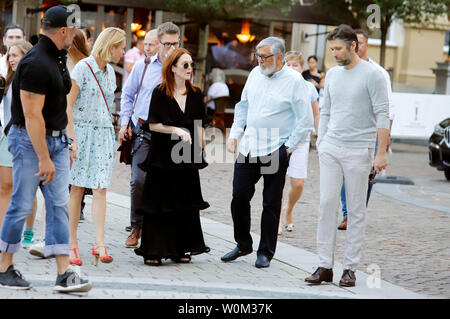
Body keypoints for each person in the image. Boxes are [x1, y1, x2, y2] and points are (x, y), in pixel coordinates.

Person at [0, 5, 91, 292]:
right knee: (21, 205)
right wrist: (44, 157)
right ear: (63, 30)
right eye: (74, 29)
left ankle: (64, 273)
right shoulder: (36, 62)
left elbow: (58, 105)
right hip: (29, 142)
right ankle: (4, 268)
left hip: (56, 140)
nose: (76, 34)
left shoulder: (58, 58)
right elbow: (31, 116)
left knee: (59, 206)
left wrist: (66, 139)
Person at [305, 25, 389, 287]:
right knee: (326, 205)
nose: (335, 53)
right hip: (331, 148)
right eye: (332, 49)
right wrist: (323, 140)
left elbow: (384, 115)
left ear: (353, 45)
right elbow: (326, 110)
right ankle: (324, 265)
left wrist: (381, 153)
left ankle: (349, 268)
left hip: (359, 150)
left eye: (338, 48)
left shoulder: (374, 75)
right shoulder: (332, 75)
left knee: (354, 210)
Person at [221, 37, 313, 269]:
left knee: (271, 203)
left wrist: (288, 148)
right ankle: (243, 244)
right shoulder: (254, 74)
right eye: (258, 56)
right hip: (249, 145)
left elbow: (305, 120)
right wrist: (234, 134)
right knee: (239, 196)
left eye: (265, 57)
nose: (260, 61)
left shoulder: (294, 82)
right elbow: (242, 106)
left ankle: (266, 253)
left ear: (280, 57)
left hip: (276, 148)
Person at [134, 48, 210, 266]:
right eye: (185, 64)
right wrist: (175, 130)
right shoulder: (160, 92)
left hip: (187, 155)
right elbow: (154, 125)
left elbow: (199, 125)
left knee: (184, 202)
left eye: (191, 64)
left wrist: (202, 149)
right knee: (160, 202)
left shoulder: (195, 93)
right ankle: (155, 250)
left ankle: (181, 248)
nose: (189, 69)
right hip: (162, 156)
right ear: (173, 67)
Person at [66, 27, 126, 267]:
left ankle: (99, 243)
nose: (123, 52)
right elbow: (67, 105)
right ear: (111, 46)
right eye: (121, 47)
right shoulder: (82, 68)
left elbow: (107, 106)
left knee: (101, 189)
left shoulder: (111, 72)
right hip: (81, 133)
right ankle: (71, 243)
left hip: (103, 135)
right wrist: (72, 138)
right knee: (77, 189)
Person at [119, 22, 180, 248]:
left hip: (170, 134)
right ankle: (136, 225)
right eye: (167, 44)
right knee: (138, 181)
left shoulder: (184, 68)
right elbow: (127, 96)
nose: (172, 48)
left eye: (176, 44)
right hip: (143, 130)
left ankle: (159, 230)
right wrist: (125, 123)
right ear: (159, 43)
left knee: (165, 184)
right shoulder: (142, 66)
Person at [337, 29, 395, 231]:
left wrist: (385, 142)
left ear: (366, 45)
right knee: (345, 172)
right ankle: (348, 215)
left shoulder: (378, 73)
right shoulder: (340, 71)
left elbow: (388, 110)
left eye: (359, 43)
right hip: (344, 132)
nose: (355, 46)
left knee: (365, 176)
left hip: (371, 133)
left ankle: (357, 212)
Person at [0, 41, 39, 248]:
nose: (12, 59)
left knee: (27, 189)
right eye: (10, 56)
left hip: (28, 138)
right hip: (7, 136)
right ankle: (2, 233)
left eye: (16, 55)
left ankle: (29, 231)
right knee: (5, 187)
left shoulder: (32, 80)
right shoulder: (6, 80)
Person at [278, 51, 318, 235]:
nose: (293, 68)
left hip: (301, 141)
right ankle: (276, 219)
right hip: (280, 140)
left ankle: (289, 210)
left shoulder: (309, 88)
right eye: (289, 65)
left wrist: (319, 135)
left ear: (302, 68)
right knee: (277, 182)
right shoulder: (279, 86)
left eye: (296, 65)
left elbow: (315, 113)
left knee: (298, 183)